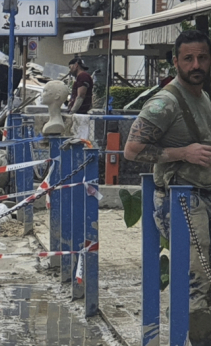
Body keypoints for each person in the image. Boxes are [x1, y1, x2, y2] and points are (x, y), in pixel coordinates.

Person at [124, 29, 211, 346]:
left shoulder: (202, 97)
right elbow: (131, 150)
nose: (196, 64)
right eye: (188, 58)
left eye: (201, 57)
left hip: (201, 197)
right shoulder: (165, 102)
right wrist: (182, 153)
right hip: (182, 203)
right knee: (199, 278)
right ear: (176, 61)